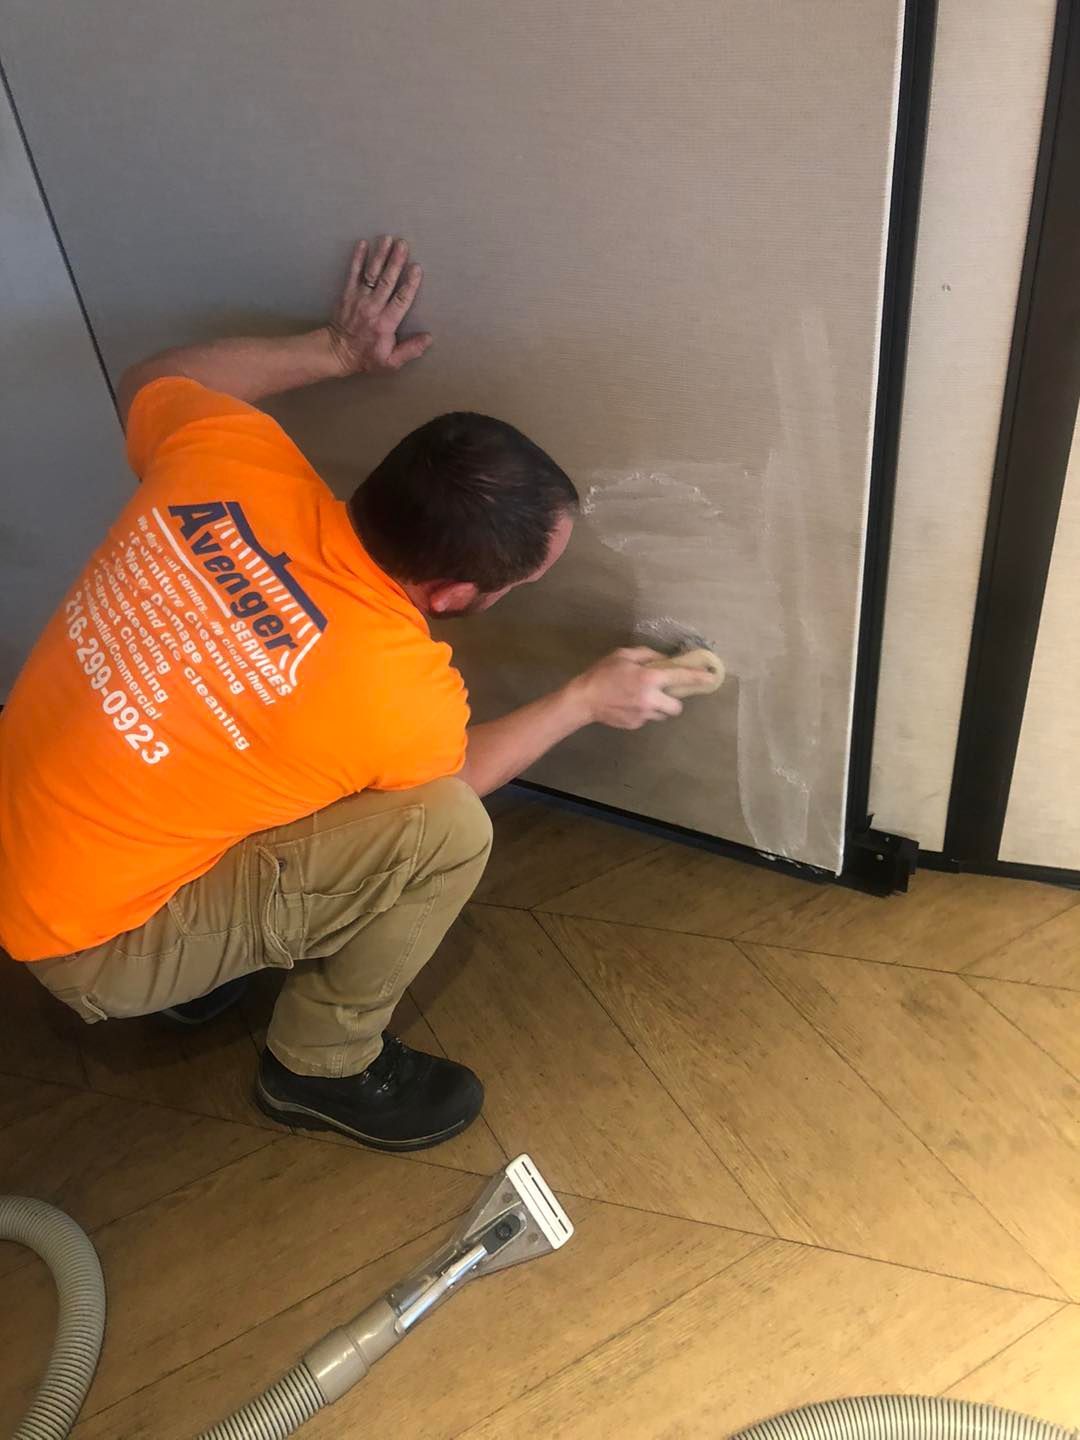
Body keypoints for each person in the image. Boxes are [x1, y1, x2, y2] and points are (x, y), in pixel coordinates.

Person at [0, 236, 714, 1152]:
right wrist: (582, 697)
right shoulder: (395, 689)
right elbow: (455, 781)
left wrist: (334, 351)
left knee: (264, 755)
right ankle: (318, 1068)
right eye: (526, 581)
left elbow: (148, 376)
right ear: (458, 597)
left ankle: (199, 964)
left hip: (30, 829)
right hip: (83, 947)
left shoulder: (231, 458)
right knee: (448, 836)